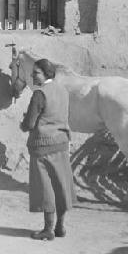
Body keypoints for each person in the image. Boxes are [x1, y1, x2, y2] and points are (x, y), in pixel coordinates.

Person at [20, 58, 75, 241]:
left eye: (36, 73)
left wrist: (23, 124)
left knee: (46, 188)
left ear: (46, 74)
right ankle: (60, 227)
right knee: (61, 185)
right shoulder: (63, 91)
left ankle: (48, 229)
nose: (32, 76)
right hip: (62, 143)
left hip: (43, 146)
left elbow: (29, 124)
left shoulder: (39, 94)